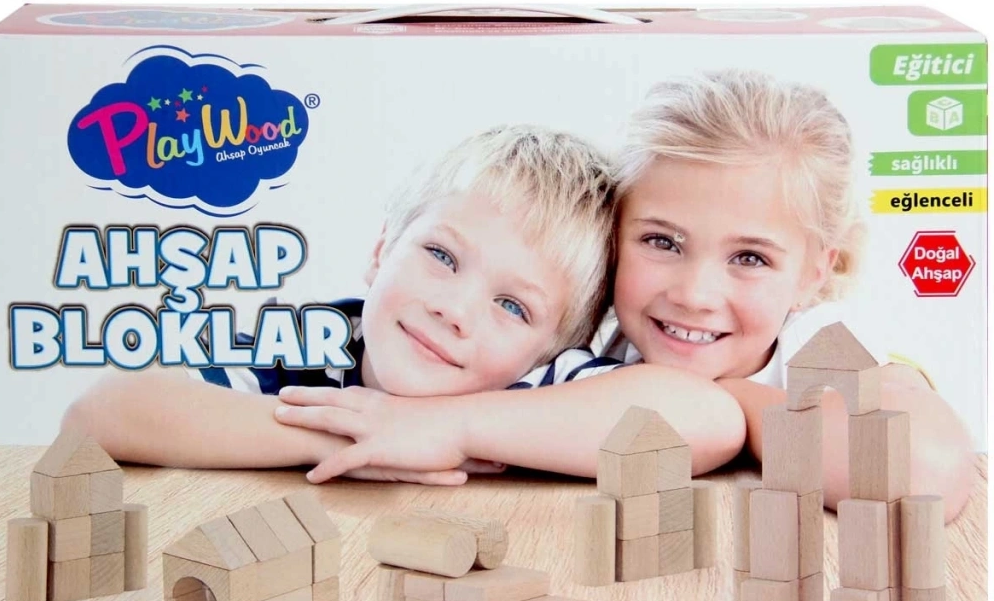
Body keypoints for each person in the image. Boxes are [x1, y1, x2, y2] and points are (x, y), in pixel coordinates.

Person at [279, 73, 975, 519]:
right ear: (613, 240)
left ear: (817, 272)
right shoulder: (583, 345)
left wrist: (735, 405)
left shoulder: (822, 351)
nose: (695, 293)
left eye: (750, 258)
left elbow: (927, 471)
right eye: (662, 242)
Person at [63, 124, 746, 482]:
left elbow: (709, 419)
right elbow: (102, 412)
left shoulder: (540, 385)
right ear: (381, 249)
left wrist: (448, 430)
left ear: (556, 348)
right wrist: (356, 435)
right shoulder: (322, 342)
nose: (455, 309)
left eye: (513, 307)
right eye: (442, 256)